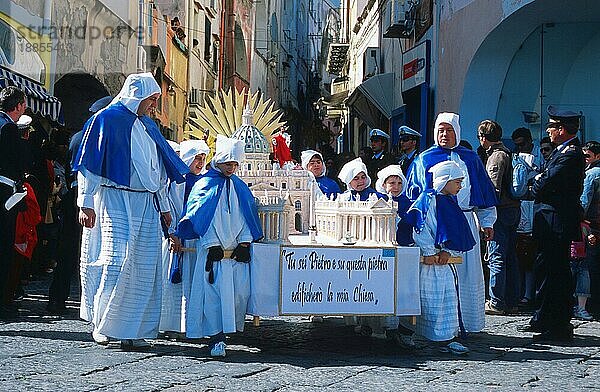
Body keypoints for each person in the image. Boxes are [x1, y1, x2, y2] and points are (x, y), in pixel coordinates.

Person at [72, 72, 189, 348]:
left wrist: (165, 207)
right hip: (115, 201)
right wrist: (85, 202)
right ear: (138, 95)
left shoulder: (149, 127)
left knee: (144, 267)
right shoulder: (106, 120)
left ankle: (134, 330)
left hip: (146, 204)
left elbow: (158, 171)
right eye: (152, 99)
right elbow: (89, 164)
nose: (154, 105)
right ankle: (102, 324)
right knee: (114, 262)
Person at [406, 112, 497, 333]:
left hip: (465, 221)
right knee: (439, 275)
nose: (444, 134)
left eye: (448, 130)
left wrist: (487, 222)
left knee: (468, 272)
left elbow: (483, 192)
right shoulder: (424, 159)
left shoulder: (471, 158)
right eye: (440, 130)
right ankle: (442, 326)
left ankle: (469, 322)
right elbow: (416, 196)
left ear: (457, 131)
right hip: (438, 224)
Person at [177, 135, 263, 357]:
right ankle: (216, 338)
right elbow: (202, 216)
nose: (231, 168)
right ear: (218, 161)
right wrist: (211, 243)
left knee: (236, 296)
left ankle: (225, 333)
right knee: (213, 298)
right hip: (212, 254)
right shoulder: (204, 184)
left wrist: (244, 242)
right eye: (228, 164)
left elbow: (247, 216)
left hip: (234, 253)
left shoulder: (240, 187)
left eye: (235, 164)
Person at [521, 105, 585, 341]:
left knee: (556, 272)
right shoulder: (560, 151)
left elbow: (544, 183)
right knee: (544, 269)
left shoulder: (570, 154)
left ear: (562, 129)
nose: (548, 131)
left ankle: (557, 323)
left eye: (551, 126)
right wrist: (537, 180)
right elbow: (538, 178)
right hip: (548, 219)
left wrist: (538, 182)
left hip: (557, 220)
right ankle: (543, 317)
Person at [406, 160, 477, 355]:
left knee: (447, 297)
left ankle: (445, 336)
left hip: (443, 262)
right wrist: (429, 251)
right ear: (445, 180)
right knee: (426, 297)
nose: (460, 186)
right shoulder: (428, 200)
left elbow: (455, 231)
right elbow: (421, 228)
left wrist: (449, 251)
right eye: (457, 182)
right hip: (428, 262)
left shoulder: (449, 201)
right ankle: (411, 332)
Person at [160, 140, 210, 334]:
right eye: (197, 158)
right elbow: (171, 206)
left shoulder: (204, 180)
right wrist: (173, 233)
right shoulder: (176, 180)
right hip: (177, 236)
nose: (200, 162)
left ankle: (191, 322)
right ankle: (170, 323)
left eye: (203, 159)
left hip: (195, 238)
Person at [477, 120, 521, 315]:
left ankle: (496, 301)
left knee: (496, 256)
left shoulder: (496, 157)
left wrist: (484, 212)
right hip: (512, 209)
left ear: (483, 138)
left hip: (501, 211)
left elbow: (492, 189)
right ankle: (512, 300)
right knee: (510, 256)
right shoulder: (508, 152)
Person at [372, 164, 416, 349]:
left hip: (405, 250)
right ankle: (384, 326)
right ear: (384, 184)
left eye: (399, 182)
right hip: (384, 251)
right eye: (392, 182)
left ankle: (406, 329)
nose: (396, 186)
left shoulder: (409, 202)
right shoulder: (377, 201)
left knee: (406, 291)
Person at [0, 86, 28, 319]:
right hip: (5, 192)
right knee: (4, 247)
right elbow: (16, 162)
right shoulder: (9, 128)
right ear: (18, 106)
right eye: (24, 104)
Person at [575, 141, 600, 320]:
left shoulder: (591, 174)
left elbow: (583, 203)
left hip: (590, 225)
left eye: (587, 156)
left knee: (583, 266)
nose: (584, 160)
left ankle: (582, 306)